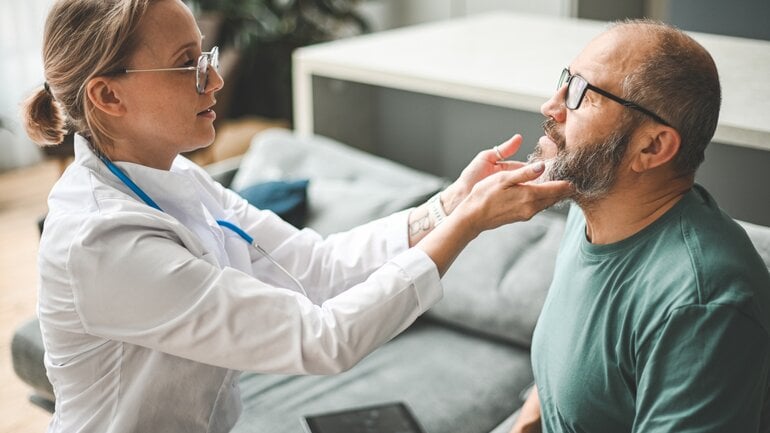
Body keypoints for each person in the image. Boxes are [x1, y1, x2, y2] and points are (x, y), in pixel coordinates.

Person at [22, 1, 572, 432]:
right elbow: (322, 339)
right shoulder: (103, 243)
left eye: (205, 57)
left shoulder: (175, 177)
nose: (214, 81)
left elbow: (316, 265)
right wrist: (466, 223)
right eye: (188, 64)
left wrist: (448, 204)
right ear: (108, 96)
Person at [508, 19, 770, 433]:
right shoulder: (593, 204)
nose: (551, 106)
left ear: (652, 146)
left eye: (582, 93)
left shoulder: (703, 305)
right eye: (566, 80)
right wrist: (528, 419)